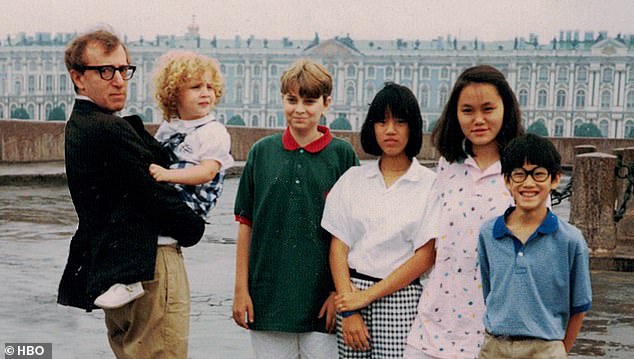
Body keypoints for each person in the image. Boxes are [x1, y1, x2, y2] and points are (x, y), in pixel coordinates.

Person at [57, 28, 205, 359]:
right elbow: (153, 193)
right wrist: (194, 227)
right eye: (105, 71)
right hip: (149, 269)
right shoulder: (108, 128)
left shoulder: (82, 123)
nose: (119, 80)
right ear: (78, 78)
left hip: (118, 271)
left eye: (124, 70)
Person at [232, 58, 359, 358]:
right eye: (292, 100)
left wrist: (340, 292)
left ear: (326, 103)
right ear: (282, 100)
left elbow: (355, 232)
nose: (299, 108)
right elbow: (245, 225)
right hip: (268, 300)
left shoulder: (342, 155)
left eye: (310, 100)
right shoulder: (261, 153)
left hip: (324, 304)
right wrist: (241, 290)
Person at [94, 50, 235, 309]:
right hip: (172, 191)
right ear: (174, 95)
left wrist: (167, 174)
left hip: (191, 199)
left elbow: (207, 172)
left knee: (137, 215)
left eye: (209, 87)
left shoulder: (214, 132)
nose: (205, 93)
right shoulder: (172, 126)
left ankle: (130, 282)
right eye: (195, 87)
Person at [405, 64, 525, 359]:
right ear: (455, 115)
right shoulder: (449, 166)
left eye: (488, 109)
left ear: (505, 110)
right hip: (435, 323)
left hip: (494, 328)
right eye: (468, 110)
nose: (479, 120)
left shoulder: (524, 171)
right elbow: (431, 243)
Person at [321, 83, 438, 357]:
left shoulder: (430, 185)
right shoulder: (353, 179)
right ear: (371, 127)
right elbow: (338, 247)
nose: (390, 130)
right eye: (382, 121)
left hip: (402, 298)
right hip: (351, 291)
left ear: (413, 128)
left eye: (400, 121)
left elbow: (425, 256)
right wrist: (350, 307)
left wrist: (368, 296)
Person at [477, 134, 592, 358]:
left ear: (555, 179)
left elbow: (580, 306)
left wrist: (558, 350)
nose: (528, 183)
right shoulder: (488, 234)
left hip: (545, 348)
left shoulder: (570, 240)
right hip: (494, 347)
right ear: (507, 181)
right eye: (519, 174)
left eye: (538, 174)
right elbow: (490, 288)